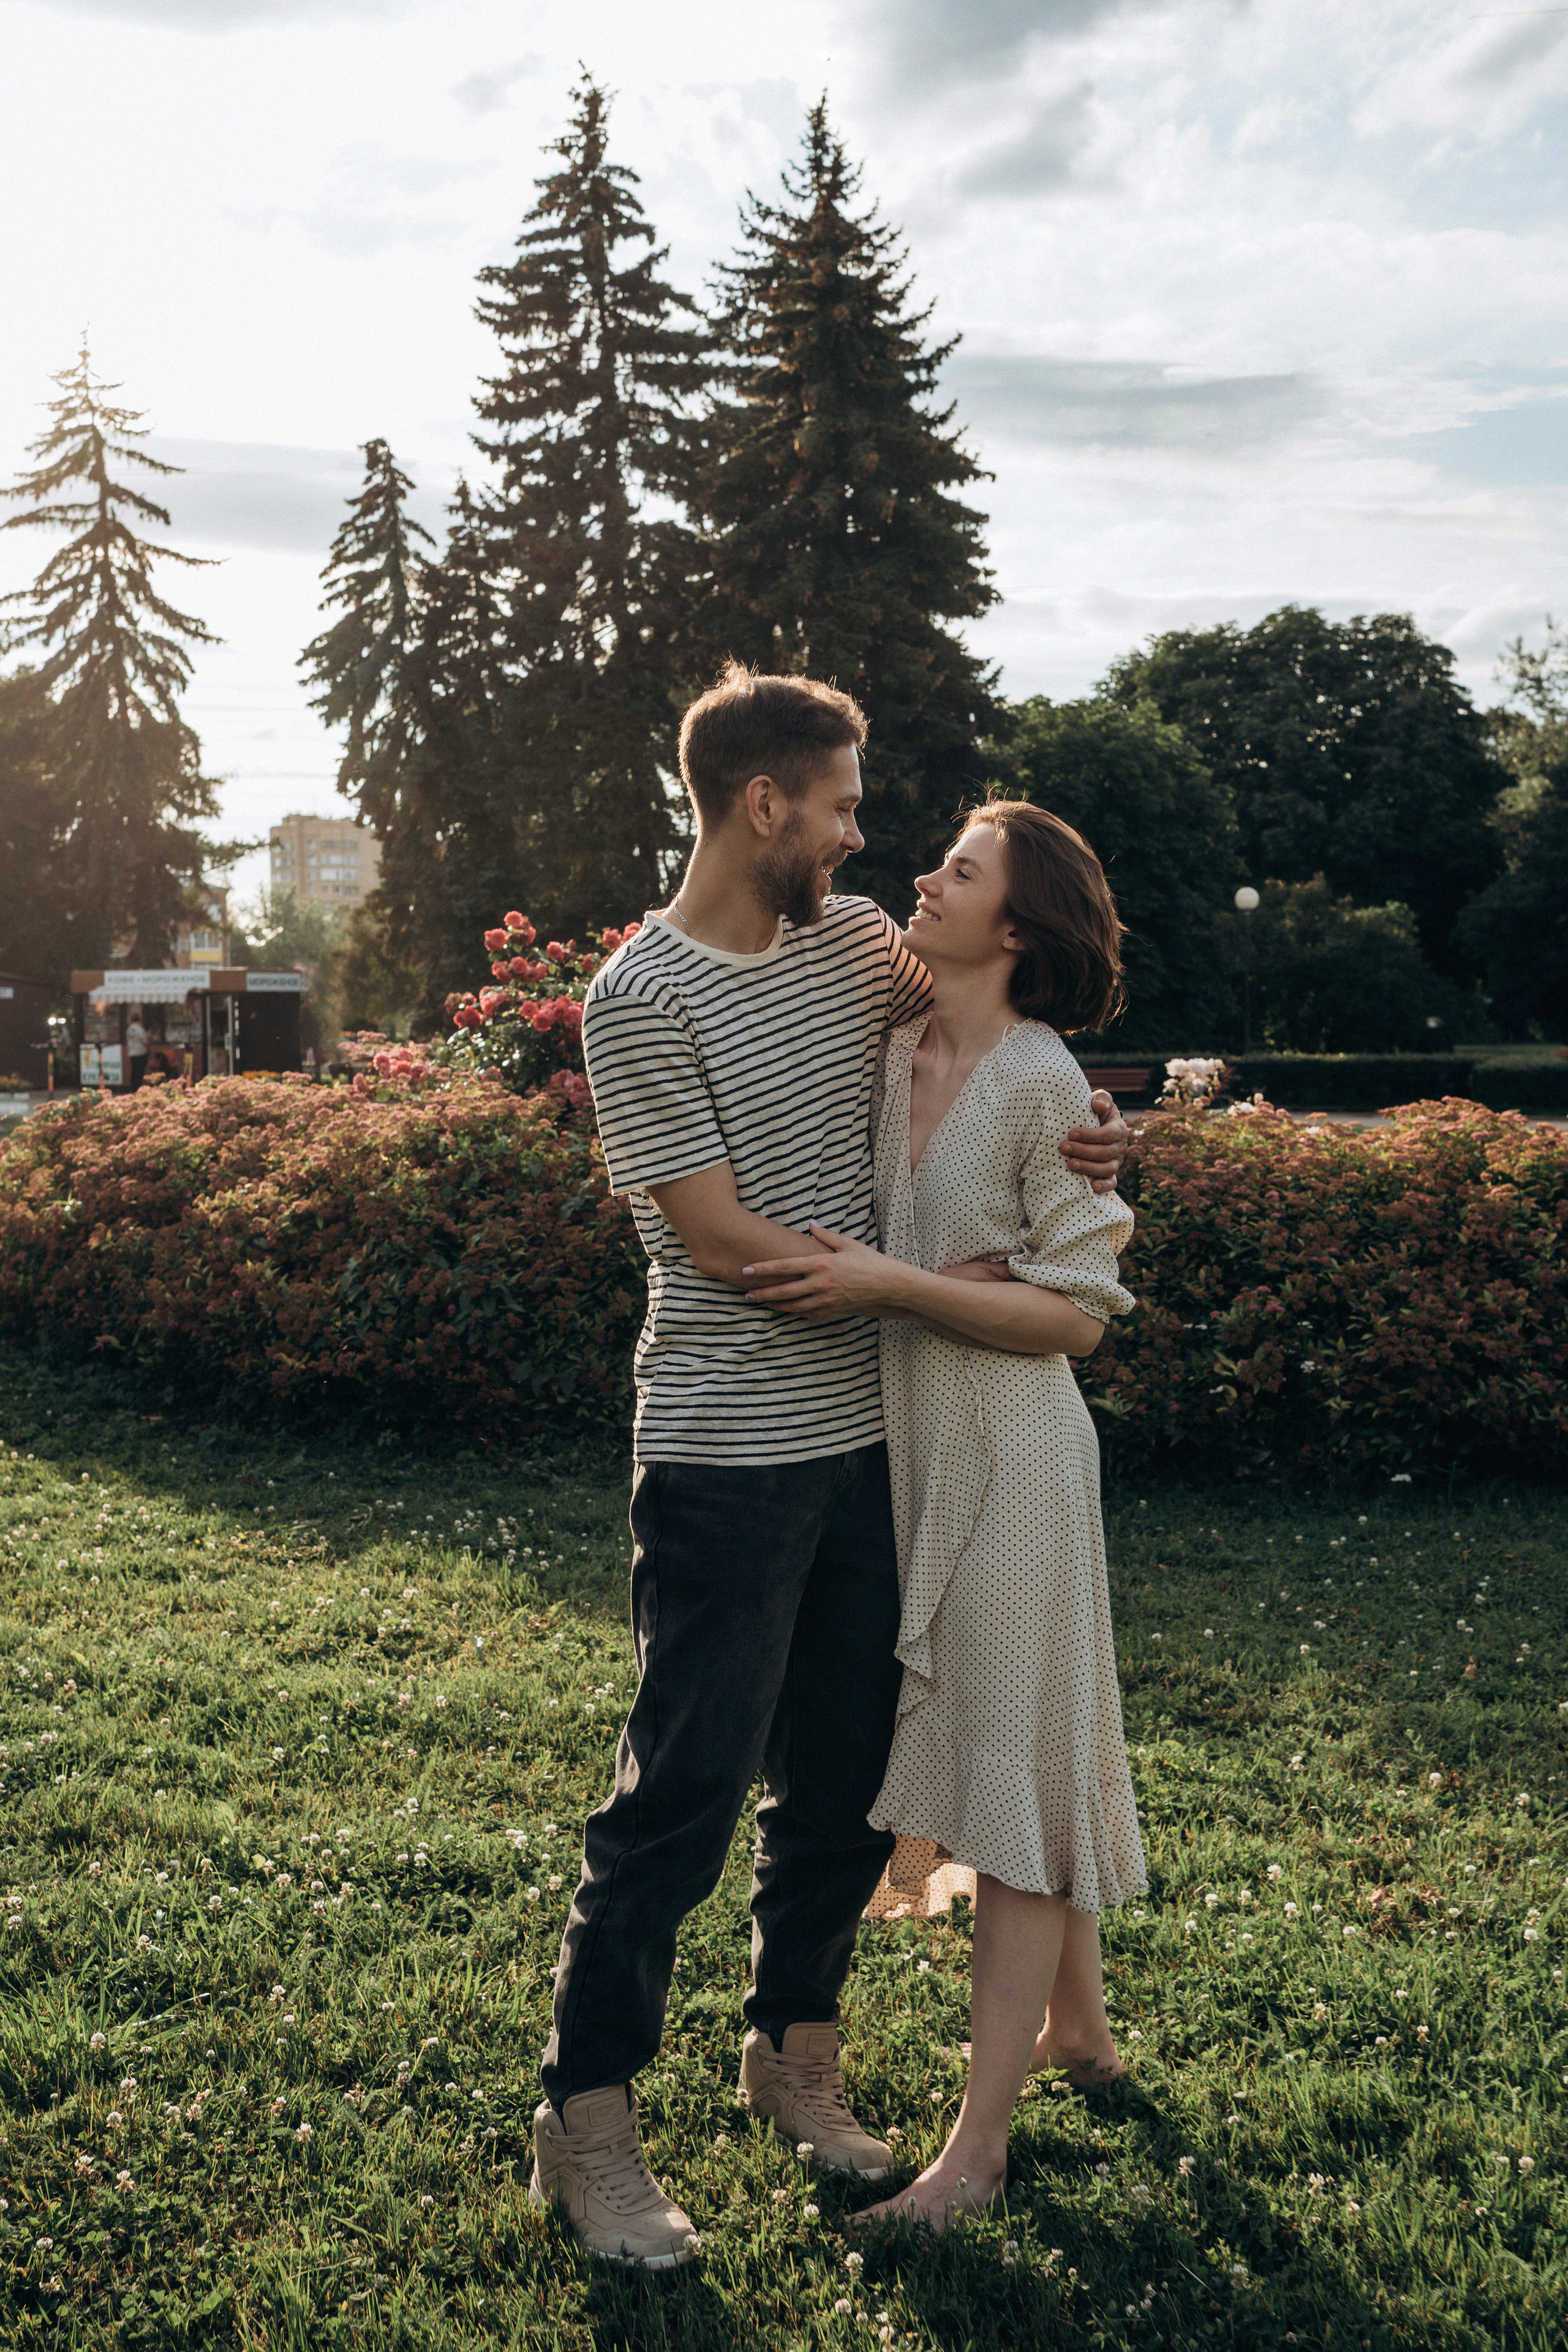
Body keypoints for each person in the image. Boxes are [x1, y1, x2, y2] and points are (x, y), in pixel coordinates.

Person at [529, 668, 1129, 2269]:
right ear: (763, 806)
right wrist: (904, 1280)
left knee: (845, 1789)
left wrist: (1093, 1144)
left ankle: (792, 2051)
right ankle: (586, 2119)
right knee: (685, 1792)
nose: (866, 839)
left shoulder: (861, 946)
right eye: (845, 808)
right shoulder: (640, 996)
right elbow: (719, 1240)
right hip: (725, 1452)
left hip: (875, 1445)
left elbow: (1006, 1034)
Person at [742, 799, 1146, 2230]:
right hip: (908, 1452)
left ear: (1016, 927)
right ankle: (1078, 2028)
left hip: (1014, 1463)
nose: (923, 874)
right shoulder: (894, 1033)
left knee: (1010, 1775)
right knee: (1019, 1745)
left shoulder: (1042, 1080)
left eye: (958, 870)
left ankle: (974, 2157)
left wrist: (896, 1285)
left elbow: (1078, 1317)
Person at [126, 1012, 148, 1092]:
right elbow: (144, 1041)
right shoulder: (139, 1029)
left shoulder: (129, 1029)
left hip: (132, 1053)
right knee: (140, 1073)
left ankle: (133, 1088)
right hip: (140, 1053)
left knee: (134, 1071)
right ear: (139, 1020)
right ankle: (138, 1089)